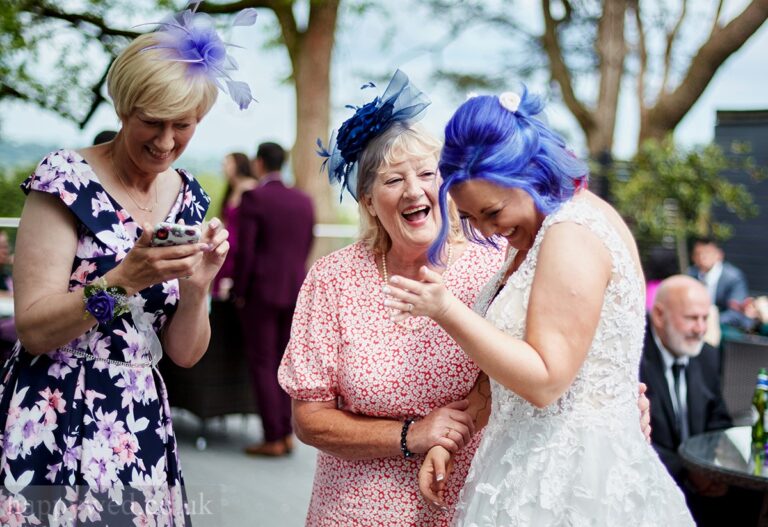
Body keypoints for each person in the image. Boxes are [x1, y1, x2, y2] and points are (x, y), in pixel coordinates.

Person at [278, 71, 651, 526]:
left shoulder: (501, 258)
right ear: (369, 200)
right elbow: (309, 418)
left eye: (426, 174)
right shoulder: (333, 278)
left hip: (487, 494)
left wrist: (612, 398)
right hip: (356, 509)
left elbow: (562, 348)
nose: (414, 190)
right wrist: (413, 435)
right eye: (393, 180)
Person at [384, 90, 693, 524]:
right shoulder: (536, 234)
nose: (487, 230)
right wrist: (450, 439)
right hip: (519, 472)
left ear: (529, 172)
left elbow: (546, 381)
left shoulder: (573, 232)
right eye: (470, 218)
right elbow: (502, 378)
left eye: (492, 211)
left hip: (577, 482)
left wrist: (446, 311)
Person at [0, 5, 256, 524]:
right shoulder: (65, 180)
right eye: (151, 123)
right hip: (53, 410)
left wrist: (198, 290)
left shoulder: (189, 198)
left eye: (182, 126)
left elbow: (184, 354)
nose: (165, 142)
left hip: (137, 422)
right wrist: (124, 280)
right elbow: (34, 330)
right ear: (123, 108)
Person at [639, 275, 753, 526]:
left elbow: (718, 420)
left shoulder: (707, 355)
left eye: (705, 318)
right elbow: (633, 436)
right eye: (692, 318)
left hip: (704, 479)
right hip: (651, 484)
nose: (701, 329)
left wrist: (716, 471)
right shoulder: (635, 360)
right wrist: (689, 473)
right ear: (659, 315)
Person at [234, 142, 315, 456]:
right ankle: (286, 433)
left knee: (263, 363)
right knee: (285, 363)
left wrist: (239, 291)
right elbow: (306, 244)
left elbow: (246, 251)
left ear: (259, 163)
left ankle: (273, 437)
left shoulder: (254, 197)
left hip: (261, 292)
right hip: (295, 290)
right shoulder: (304, 201)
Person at [211, 152, 257, 300]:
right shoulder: (232, 188)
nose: (223, 168)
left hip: (239, 249)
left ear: (238, 165)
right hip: (227, 246)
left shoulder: (251, 188)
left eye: (227, 164)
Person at [687, 237, 752, 331]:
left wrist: (710, 321)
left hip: (726, 326)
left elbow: (736, 312)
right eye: (698, 253)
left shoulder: (733, 277)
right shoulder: (690, 275)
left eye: (707, 253)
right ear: (693, 257)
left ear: (719, 255)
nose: (702, 257)